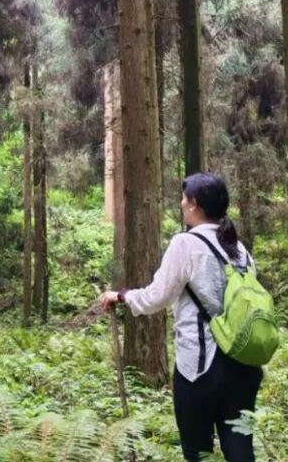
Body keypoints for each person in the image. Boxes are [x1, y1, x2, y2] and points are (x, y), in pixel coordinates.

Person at [98, 172, 263, 462]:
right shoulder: (240, 249)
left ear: (194, 203)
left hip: (200, 367)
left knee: (197, 451)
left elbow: (158, 296)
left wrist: (121, 296)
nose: (181, 203)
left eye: (184, 198)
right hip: (243, 364)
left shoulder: (185, 244)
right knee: (240, 449)